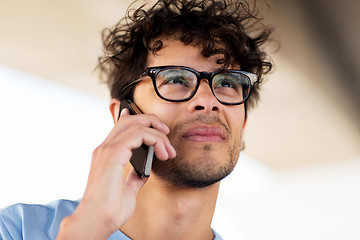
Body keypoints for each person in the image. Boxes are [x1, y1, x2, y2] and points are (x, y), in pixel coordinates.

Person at [0, 0, 272, 239]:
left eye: (227, 82)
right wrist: (86, 230)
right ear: (124, 115)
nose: (208, 100)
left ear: (243, 125)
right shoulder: (16, 230)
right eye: (176, 79)